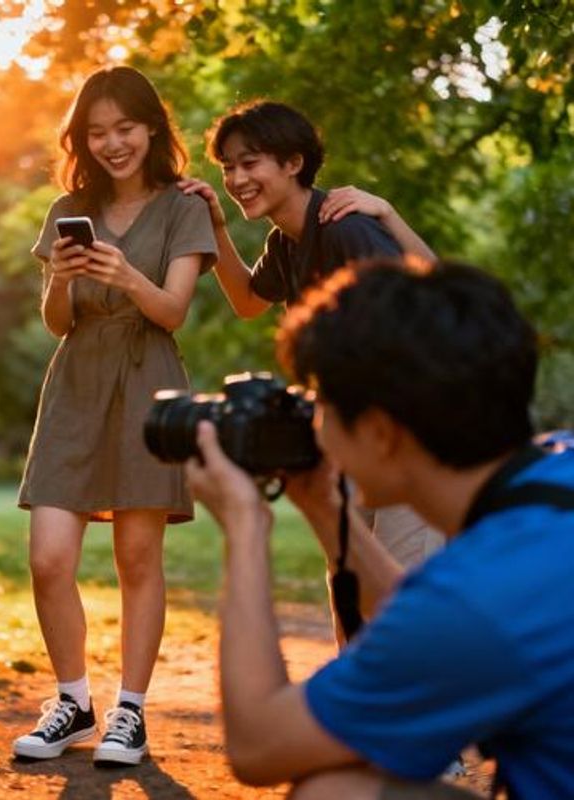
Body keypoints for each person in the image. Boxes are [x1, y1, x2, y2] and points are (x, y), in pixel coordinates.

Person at [186, 258, 574, 799]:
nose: (315, 422)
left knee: (333, 791)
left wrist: (245, 526)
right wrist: (327, 509)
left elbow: (258, 747)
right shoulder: (555, 472)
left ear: (380, 432)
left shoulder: (476, 600)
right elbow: (435, 629)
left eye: (322, 402)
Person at [13, 65, 217, 767]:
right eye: (96, 132)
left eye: (124, 128)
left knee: (137, 556)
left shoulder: (185, 207)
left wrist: (126, 273)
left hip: (147, 380)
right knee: (48, 556)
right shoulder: (67, 206)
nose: (112, 143)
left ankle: (130, 712)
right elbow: (55, 322)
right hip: (76, 381)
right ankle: (72, 702)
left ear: (152, 127)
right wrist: (65, 278)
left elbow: (172, 311)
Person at [179, 99, 443, 626]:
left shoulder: (345, 226)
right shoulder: (284, 242)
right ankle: (353, 706)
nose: (235, 177)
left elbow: (429, 301)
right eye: (228, 166)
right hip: (351, 427)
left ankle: (414, 702)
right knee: (348, 578)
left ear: (293, 162)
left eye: (249, 162)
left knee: (399, 585)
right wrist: (216, 226)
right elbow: (250, 302)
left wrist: (388, 211)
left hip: (406, 428)